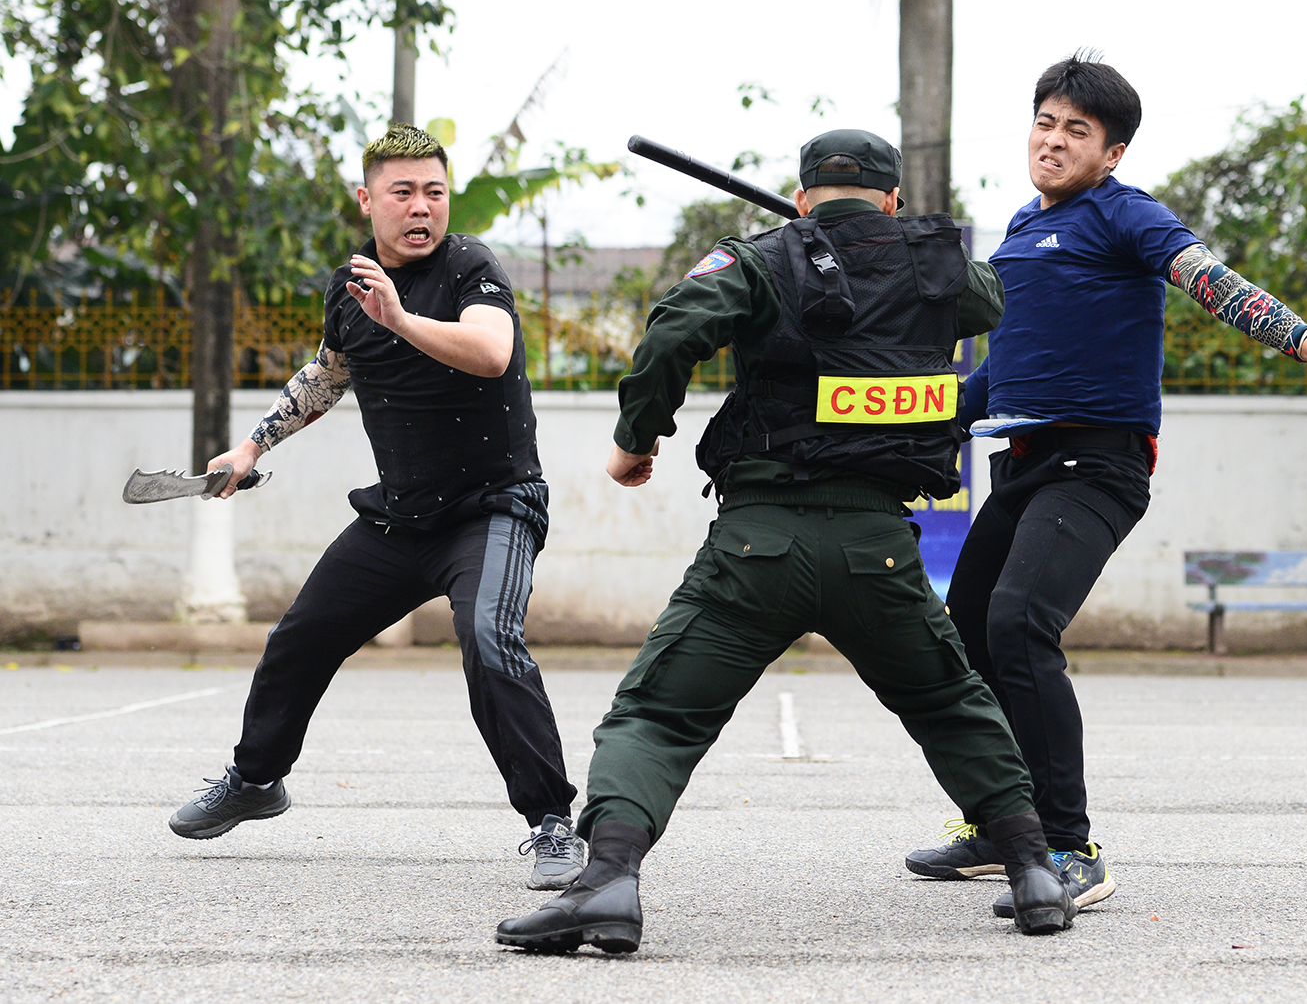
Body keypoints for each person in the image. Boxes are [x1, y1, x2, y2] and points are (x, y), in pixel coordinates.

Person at [493, 129, 1076, 955]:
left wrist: (638, 435)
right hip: (878, 547)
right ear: (894, 200)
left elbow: (673, 329)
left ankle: (608, 882)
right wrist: (896, 243)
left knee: (658, 715)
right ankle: (1034, 870)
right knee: (949, 702)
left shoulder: (762, 257)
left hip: (757, 547)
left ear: (803, 197)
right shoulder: (935, 265)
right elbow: (986, 296)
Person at [903, 55, 1307, 918]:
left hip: (1098, 465)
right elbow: (1000, 372)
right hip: (1022, 462)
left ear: (1111, 152)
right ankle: (995, 822)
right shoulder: (1017, 227)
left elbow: (1212, 281)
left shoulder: (1127, 216)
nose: (1053, 139)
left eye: (1076, 130)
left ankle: (1069, 845)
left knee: (1017, 619)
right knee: (964, 628)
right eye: (1045, 121)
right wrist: (921, 419)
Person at [167, 124, 586, 892]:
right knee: (301, 636)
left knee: (487, 636)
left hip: (492, 509)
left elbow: (490, 351)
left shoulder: (473, 268)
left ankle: (553, 822)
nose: (421, 207)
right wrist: (253, 446)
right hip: (399, 518)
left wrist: (401, 319)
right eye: (403, 192)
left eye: (434, 191)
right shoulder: (350, 286)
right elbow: (329, 373)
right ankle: (257, 779)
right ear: (368, 200)